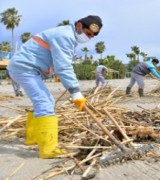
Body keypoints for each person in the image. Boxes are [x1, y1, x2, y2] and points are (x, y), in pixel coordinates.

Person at [7, 15, 103, 158]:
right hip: (25, 68)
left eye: (91, 36)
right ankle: (48, 149)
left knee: (45, 101)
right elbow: (63, 67)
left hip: (26, 68)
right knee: (44, 103)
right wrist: (76, 92)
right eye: (87, 33)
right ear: (78, 26)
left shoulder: (67, 35)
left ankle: (33, 138)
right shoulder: (65, 36)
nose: (87, 38)